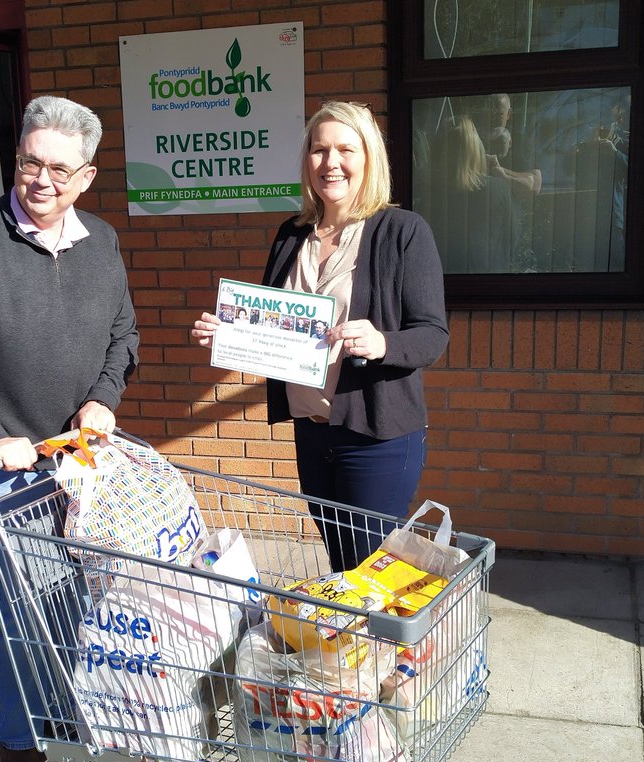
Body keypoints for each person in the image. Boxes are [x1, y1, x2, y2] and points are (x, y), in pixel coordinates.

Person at [0, 95, 139, 762]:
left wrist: (103, 400)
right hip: (15, 461)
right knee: (27, 609)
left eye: (59, 168)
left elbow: (125, 336)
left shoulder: (103, 241)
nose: (41, 179)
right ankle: (23, 754)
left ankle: (86, 728)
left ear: (86, 177)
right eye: (30, 162)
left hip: (86, 458)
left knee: (88, 597)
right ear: (15, 160)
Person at [191, 100, 448, 572]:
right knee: (338, 564)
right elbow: (276, 323)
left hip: (376, 436)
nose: (331, 163)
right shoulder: (291, 235)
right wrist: (232, 333)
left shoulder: (402, 232)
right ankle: (346, 647)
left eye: (345, 150)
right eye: (319, 149)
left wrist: (383, 343)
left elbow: (433, 335)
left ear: (368, 158)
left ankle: (376, 648)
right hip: (312, 434)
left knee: (368, 571)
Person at [426, 115, 514, 273]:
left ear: (447, 154)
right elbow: (510, 239)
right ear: (477, 151)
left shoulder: (436, 193)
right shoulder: (498, 188)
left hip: (447, 278)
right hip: (491, 277)